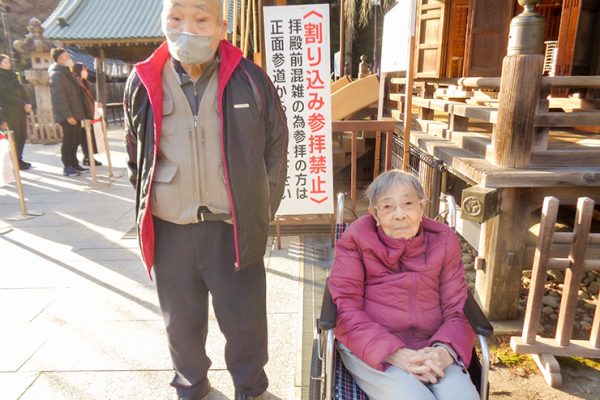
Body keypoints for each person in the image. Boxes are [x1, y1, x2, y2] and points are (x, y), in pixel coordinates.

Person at [123, 0, 288, 399]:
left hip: (231, 226)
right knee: (180, 321)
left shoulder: (250, 79)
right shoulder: (143, 81)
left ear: (221, 27)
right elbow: (136, 156)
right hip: (171, 228)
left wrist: (257, 213)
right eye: (176, 18)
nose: (187, 29)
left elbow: (276, 149)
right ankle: (191, 386)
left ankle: (251, 388)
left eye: (200, 19)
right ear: (162, 22)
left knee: (245, 320)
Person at [328, 170, 479, 400]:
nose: (399, 214)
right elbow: (345, 309)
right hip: (372, 347)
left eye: (408, 203)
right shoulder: (355, 240)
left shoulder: (444, 241)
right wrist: (394, 353)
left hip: (432, 345)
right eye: (387, 207)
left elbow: (457, 306)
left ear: (421, 208)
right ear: (374, 214)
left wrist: (443, 352)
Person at [49, 48, 90, 177]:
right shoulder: (57, 74)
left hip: (75, 113)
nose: (69, 58)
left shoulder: (68, 73)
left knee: (76, 139)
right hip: (67, 114)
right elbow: (59, 97)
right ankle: (67, 166)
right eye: (66, 56)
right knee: (69, 141)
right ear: (59, 59)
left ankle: (74, 163)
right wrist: (68, 115)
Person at [0, 54, 33, 170]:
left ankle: (18, 158)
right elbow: (6, 95)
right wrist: (22, 103)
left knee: (22, 135)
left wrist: (28, 102)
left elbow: (22, 90)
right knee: (13, 137)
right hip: (9, 111)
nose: (7, 64)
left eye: (8, 61)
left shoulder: (14, 75)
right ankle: (13, 160)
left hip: (20, 110)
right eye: (4, 62)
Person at [71, 62, 102, 167]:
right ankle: (87, 157)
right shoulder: (75, 81)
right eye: (84, 69)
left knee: (89, 136)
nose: (86, 71)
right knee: (85, 137)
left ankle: (89, 157)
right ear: (79, 70)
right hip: (82, 112)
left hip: (88, 111)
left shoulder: (83, 82)